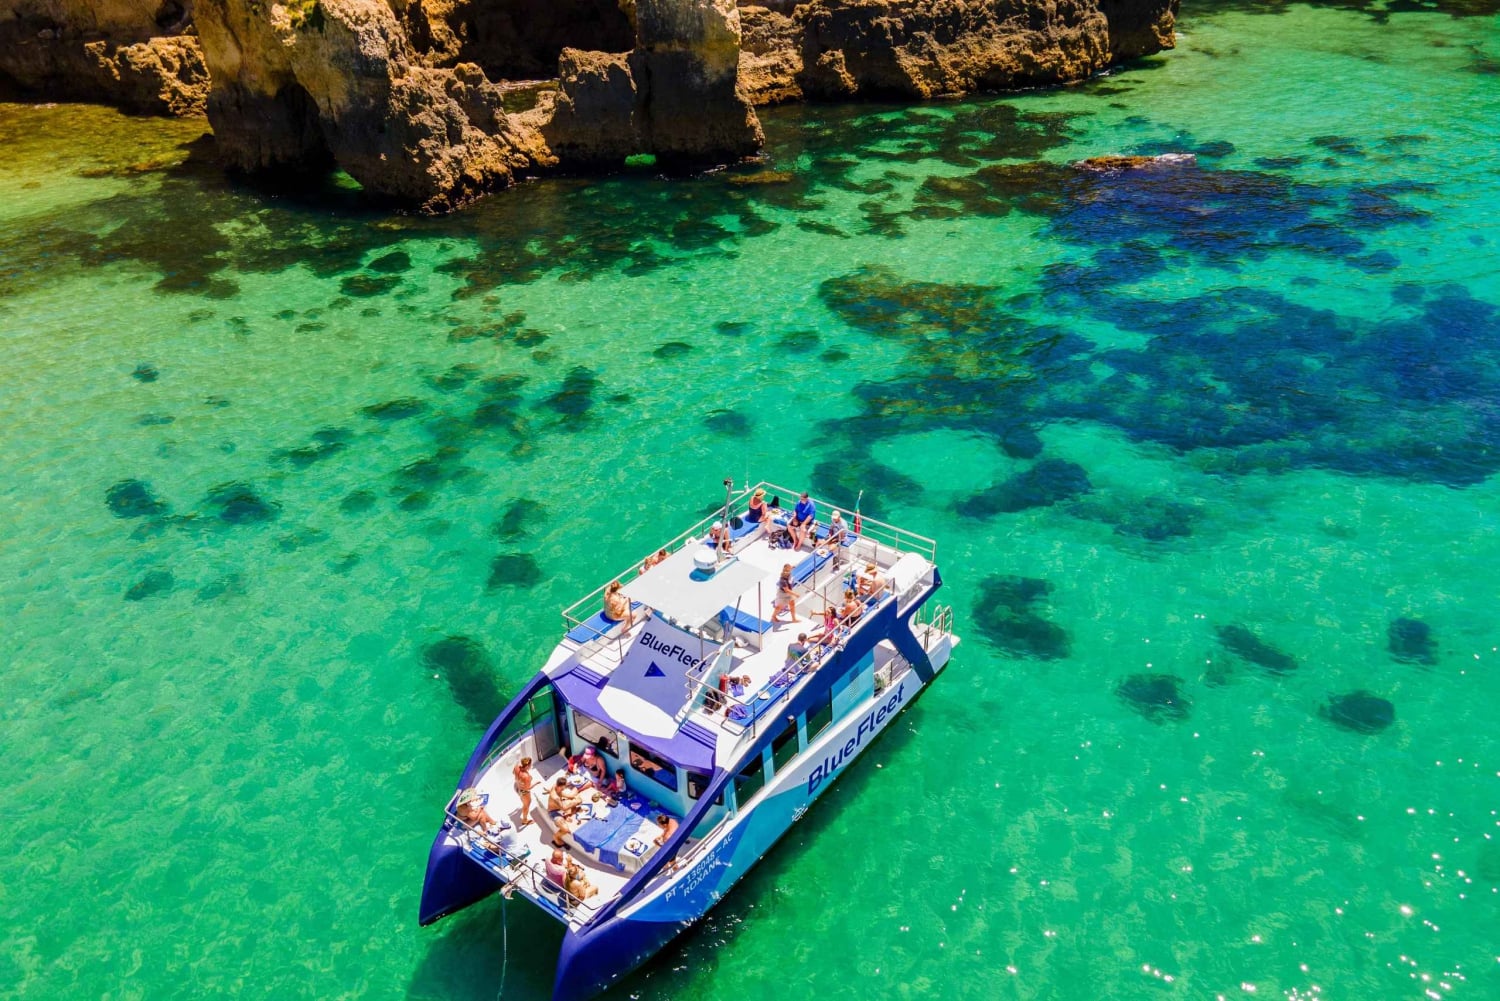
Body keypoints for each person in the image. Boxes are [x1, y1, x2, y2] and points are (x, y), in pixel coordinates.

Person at [513, 756, 535, 827]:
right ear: (527, 766)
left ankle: (524, 804)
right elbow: (528, 788)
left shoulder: (516, 767)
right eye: (530, 765)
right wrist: (536, 783)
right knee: (526, 805)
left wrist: (520, 780)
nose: (531, 766)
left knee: (524, 802)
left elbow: (513, 773)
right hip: (523, 792)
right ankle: (524, 820)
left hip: (516, 786)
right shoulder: (526, 776)